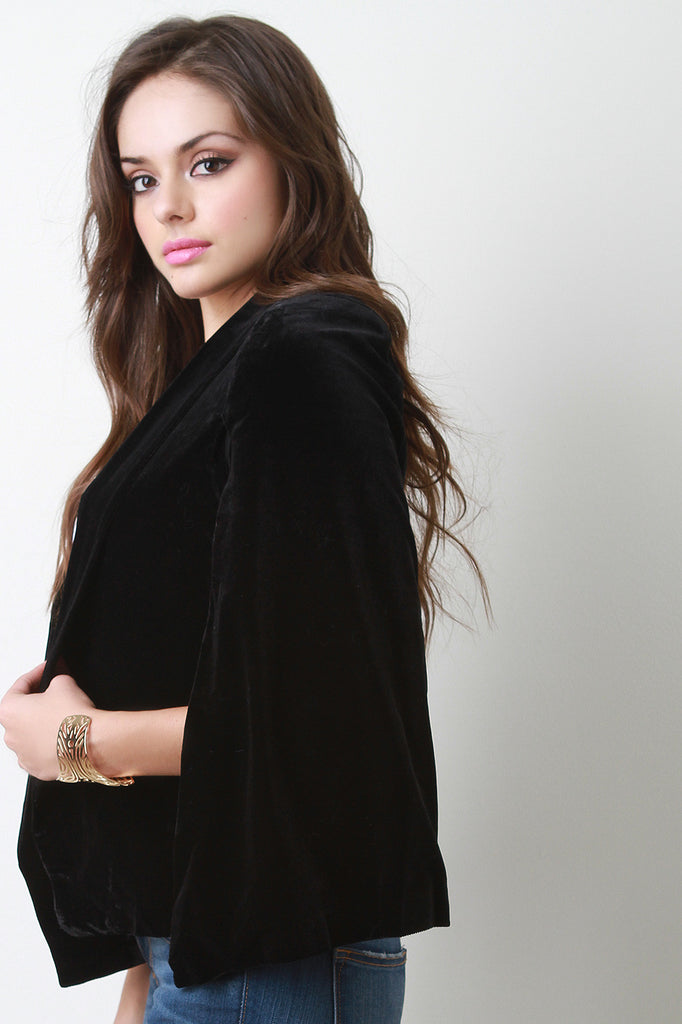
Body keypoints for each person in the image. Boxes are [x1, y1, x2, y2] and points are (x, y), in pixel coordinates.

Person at [0, 15, 488, 1024]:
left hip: (269, 954)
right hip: (206, 942)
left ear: (293, 162)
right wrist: (144, 974)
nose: (169, 207)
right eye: (141, 179)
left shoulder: (300, 349)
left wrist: (74, 741)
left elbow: (309, 718)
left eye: (209, 163)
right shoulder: (213, 377)